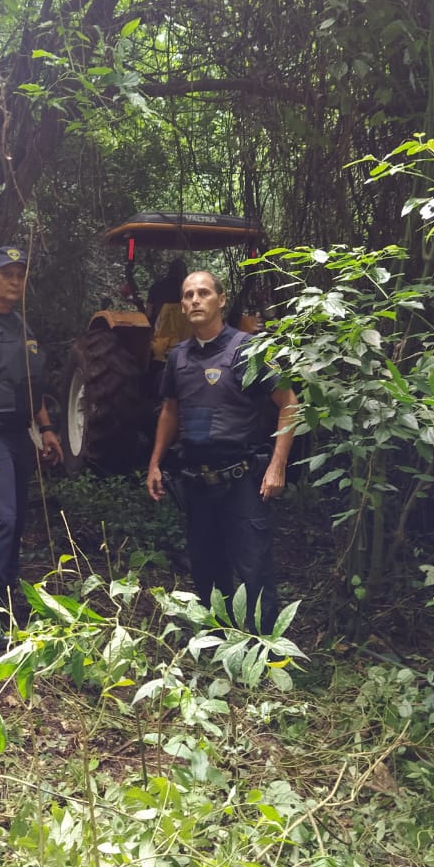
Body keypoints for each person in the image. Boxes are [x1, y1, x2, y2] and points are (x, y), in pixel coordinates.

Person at [145, 270, 298, 634]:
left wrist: (277, 466)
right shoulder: (178, 357)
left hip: (244, 479)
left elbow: (290, 403)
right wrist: (155, 463)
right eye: (188, 295)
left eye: (203, 293)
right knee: (206, 566)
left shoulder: (249, 350)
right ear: (181, 306)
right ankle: (219, 640)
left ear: (221, 300)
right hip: (197, 482)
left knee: (253, 567)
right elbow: (170, 410)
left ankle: (262, 649)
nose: (195, 300)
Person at [0, 246, 62, 620]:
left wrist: (47, 428)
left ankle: (2, 599)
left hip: (20, 433)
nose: (15, 280)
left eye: (20, 274)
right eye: (7, 273)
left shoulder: (22, 324)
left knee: (17, 520)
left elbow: (29, 384)